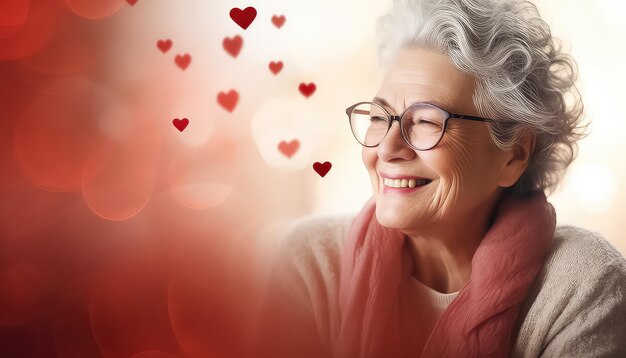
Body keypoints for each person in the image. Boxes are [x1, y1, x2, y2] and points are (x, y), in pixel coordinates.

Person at [253, 0, 626, 357]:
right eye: (380, 118)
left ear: (514, 154)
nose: (387, 148)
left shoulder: (583, 287)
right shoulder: (311, 263)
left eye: (427, 121)